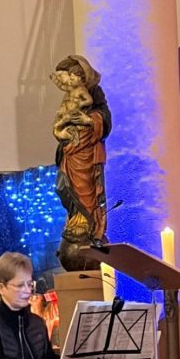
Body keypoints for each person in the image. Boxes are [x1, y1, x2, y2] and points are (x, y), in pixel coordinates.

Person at [52, 55, 111, 271]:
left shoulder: (94, 92)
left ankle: (89, 227)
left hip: (87, 152)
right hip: (71, 151)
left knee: (87, 193)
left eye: (76, 74)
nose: (72, 79)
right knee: (62, 187)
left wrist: (88, 120)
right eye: (70, 75)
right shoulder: (68, 96)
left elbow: (104, 119)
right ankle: (75, 221)